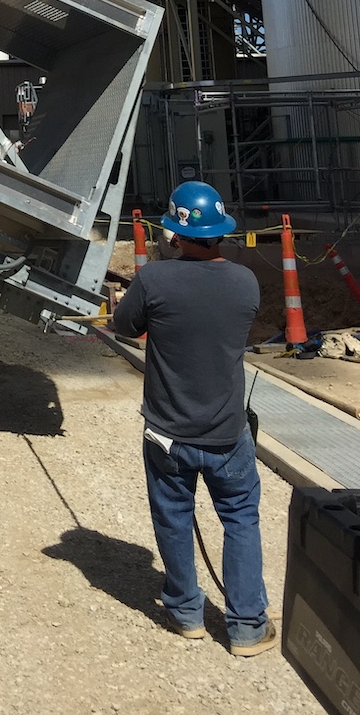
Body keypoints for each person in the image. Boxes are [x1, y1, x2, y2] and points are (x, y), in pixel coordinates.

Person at [112, 180, 276, 657]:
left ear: (175, 234)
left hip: (167, 433)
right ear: (220, 231)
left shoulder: (155, 279)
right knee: (241, 518)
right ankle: (247, 626)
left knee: (174, 516)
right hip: (227, 432)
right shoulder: (245, 282)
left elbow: (126, 326)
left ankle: (186, 612)